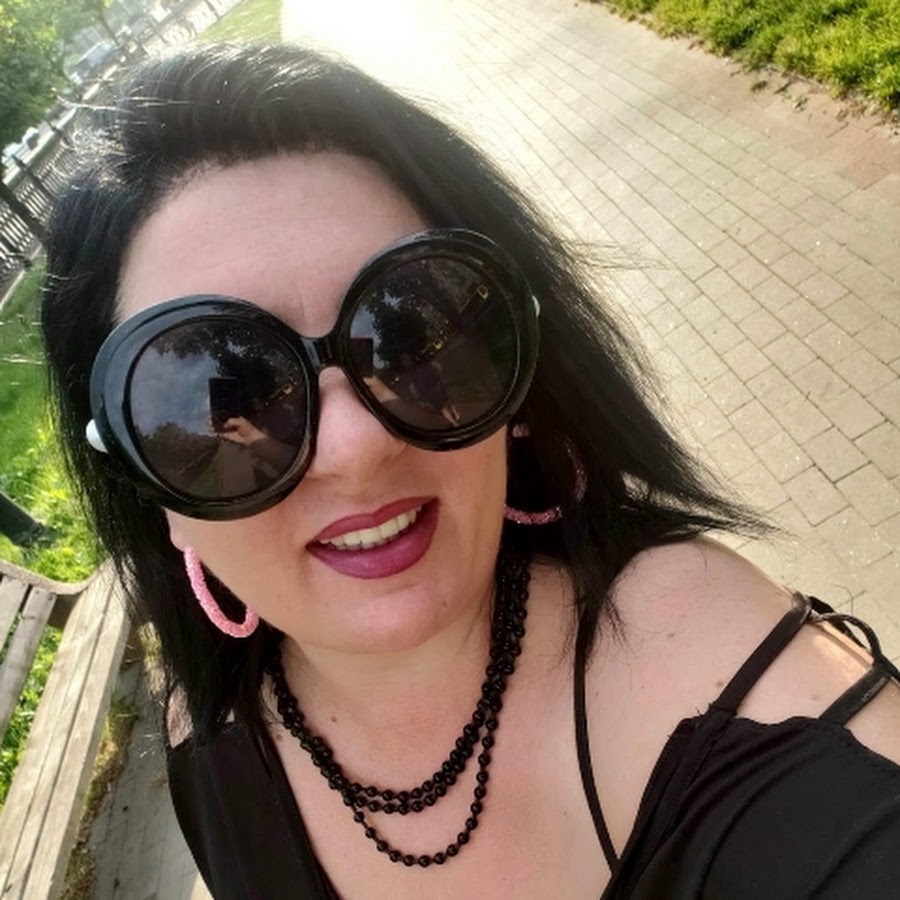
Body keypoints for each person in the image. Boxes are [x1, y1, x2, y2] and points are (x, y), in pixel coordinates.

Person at [42, 44, 899, 899]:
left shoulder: (715, 669)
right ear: (149, 494)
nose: (357, 447)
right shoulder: (210, 751)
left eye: (412, 334)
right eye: (215, 399)